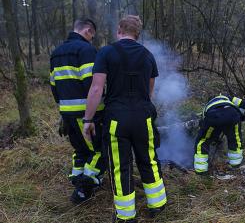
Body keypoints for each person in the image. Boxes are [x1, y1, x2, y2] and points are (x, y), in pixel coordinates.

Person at [82, 15, 166, 222]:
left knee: (120, 166)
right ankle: (157, 205)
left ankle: (126, 216)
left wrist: (87, 120)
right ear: (138, 33)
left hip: (117, 118)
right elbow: (150, 92)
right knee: (149, 159)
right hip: (143, 117)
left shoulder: (106, 52)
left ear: (119, 30)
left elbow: (96, 88)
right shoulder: (148, 55)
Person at [50, 18, 105, 204]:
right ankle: (84, 188)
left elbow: (54, 86)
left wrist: (63, 111)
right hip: (88, 114)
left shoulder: (56, 53)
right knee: (101, 150)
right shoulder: (86, 50)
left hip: (67, 113)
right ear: (88, 30)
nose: (92, 40)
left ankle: (77, 178)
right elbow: (93, 85)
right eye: (92, 36)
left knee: (81, 150)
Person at [194, 95, 245, 174]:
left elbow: (205, 125)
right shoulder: (227, 97)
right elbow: (244, 104)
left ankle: (201, 170)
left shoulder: (207, 106)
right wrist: (240, 115)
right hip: (233, 114)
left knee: (202, 141)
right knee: (235, 139)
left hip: (213, 117)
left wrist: (214, 137)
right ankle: (236, 165)